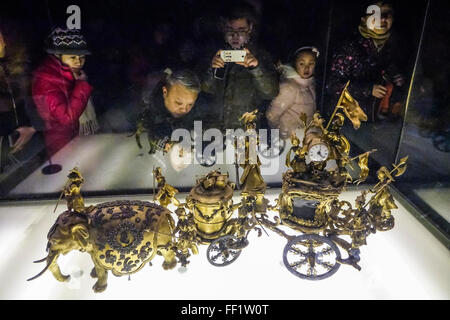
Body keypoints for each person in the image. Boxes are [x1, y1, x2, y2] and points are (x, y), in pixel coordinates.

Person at [199, 3, 279, 130]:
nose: (235, 36)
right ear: (224, 28)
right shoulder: (212, 53)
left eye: (241, 30)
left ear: (250, 28)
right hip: (213, 130)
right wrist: (212, 69)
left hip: (244, 131)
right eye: (231, 30)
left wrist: (256, 68)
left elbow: (271, 93)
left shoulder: (261, 56)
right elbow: (203, 90)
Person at [326, 1, 406, 121]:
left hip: (374, 120)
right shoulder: (351, 46)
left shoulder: (392, 44)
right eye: (376, 13)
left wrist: (395, 77)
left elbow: (386, 69)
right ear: (366, 18)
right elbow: (332, 85)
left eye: (387, 13)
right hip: (346, 121)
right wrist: (368, 89)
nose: (383, 18)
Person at [32, 28, 98, 157]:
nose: (78, 61)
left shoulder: (69, 74)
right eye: (72, 57)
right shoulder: (47, 80)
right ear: (57, 55)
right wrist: (81, 85)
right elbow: (66, 118)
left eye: (82, 57)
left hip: (74, 138)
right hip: (61, 144)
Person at [0, 26, 43, 172]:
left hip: (33, 141)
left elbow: (39, 97)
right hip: (6, 147)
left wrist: (34, 127)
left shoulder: (22, 64)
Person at [135, 68, 201, 154]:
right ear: (165, 92)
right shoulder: (150, 105)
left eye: (190, 104)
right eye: (178, 103)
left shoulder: (197, 110)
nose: (184, 109)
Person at [266, 46, 319, 139]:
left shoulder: (310, 84)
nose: (307, 68)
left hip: (305, 137)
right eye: (301, 64)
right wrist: (283, 132)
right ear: (295, 64)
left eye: (311, 63)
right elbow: (272, 115)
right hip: (290, 140)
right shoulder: (289, 88)